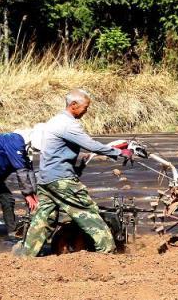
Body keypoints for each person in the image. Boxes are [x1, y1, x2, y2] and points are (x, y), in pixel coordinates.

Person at [14, 90, 133, 257]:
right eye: (85, 107)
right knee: (87, 212)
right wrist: (119, 153)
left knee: (45, 218)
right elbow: (90, 144)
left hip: (45, 179)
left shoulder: (55, 120)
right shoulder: (68, 124)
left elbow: (62, 149)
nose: (86, 111)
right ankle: (107, 252)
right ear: (73, 105)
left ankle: (25, 256)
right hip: (62, 179)